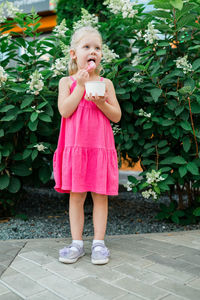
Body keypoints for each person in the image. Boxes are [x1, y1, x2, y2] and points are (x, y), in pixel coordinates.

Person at [53, 26, 121, 265]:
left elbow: (116, 116)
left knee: (100, 196)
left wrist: (102, 102)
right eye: (87, 47)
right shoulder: (67, 82)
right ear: (74, 54)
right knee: (77, 196)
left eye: (97, 48)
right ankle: (77, 243)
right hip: (76, 149)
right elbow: (64, 110)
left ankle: (99, 244)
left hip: (99, 149)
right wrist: (80, 86)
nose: (93, 51)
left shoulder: (106, 83)